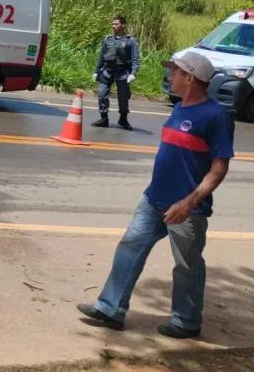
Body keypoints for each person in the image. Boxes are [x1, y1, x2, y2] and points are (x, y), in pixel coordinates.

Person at [77, 51, 234, 339]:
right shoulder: (179, 108)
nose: (170, 76)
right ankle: (111, 309)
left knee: (187, 264)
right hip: (154, 199)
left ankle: (186, 322)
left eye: (175, 71)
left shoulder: (216, 116)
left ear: (190, 78)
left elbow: (219, 167)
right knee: (130, 246)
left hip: (187, 208)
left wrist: (189, 202)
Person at [92, 15, 140, 130]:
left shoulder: (130, 40)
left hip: (122, 72)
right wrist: (96, 71)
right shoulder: (108, 39)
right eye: (112, 24)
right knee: (102, 94)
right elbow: (102, 57)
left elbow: (135, 58)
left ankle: (123, 119)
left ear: (123, 25)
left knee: (123, 97)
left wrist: (133, 73)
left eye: (116, 24)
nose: (113, 26)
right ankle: (104, 118)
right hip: (108, 70)